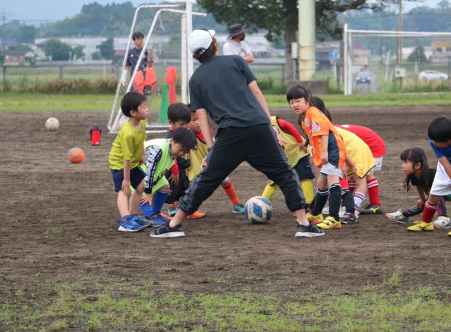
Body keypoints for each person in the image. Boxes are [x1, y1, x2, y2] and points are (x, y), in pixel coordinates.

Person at [151, 29, 324, 238]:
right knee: (284, 173)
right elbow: (256, 92)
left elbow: (202, 116)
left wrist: (211, 147)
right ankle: (303, 224)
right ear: (214, 45)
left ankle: (174, 225)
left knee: (206, 179)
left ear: (195, 55)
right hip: (258, 127)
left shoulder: (195, 80)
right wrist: (271, 126)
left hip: (230, 135)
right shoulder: (236, 61)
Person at [164, 102, 247, 216]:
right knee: (182, 184)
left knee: (225, 179)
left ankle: (237, 204)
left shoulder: (208, 133)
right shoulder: (185, 135)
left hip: (209, 162)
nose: (198, 123)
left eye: (200, 119)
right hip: (193, 166)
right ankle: (176, 206)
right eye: (194, 120)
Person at [287, 85, 347, 230]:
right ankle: (315, 214)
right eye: (291, 102)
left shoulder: (313, 112)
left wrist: (325, 152)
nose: (294, 104)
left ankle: (334, 218)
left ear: (308, 100)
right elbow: (314, 137)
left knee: (333, 182)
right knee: (321, 184)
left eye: (298, 101)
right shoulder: (305, 117)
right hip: (327, 151)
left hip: (333, 150)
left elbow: (324, 132)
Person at [408, 116, 451, 237]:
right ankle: (426, 223)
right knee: (433, 195)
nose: (434, 143)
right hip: (444, 168)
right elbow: (445, 164)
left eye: (438, 141)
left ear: (450, 139)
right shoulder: (434, 143)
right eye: (434, 141)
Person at [137, 128, 197, 227]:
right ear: (172, 140)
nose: (182, 153)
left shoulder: (172, 149)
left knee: (165, 186)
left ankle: (156, 213)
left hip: (154, 173)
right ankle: (150, 216)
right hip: (137, 170)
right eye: (181, 149)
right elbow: (149, 170)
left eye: (185, 151)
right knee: (141, 192)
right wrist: (148, 193)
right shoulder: (158, 148)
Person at [108, 91, 151, 232]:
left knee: (140, 187)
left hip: (131, 162)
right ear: (133, 112)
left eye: (146, 106)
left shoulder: (142, 123)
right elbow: (125, 159)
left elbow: (142, 139)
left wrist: (143, 154)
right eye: (144, 107)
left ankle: (132, 215)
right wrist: (126, 180)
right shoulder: (127, 133)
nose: (147, 109)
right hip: (120, 163)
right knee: (124, 190)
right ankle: (125, 221)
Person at [385, 147, 450, 228]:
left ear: (417, 165)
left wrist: (427, 200)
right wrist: (422, 199)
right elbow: (419, 187)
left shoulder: (432, 175)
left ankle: (444, 218)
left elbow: (437, 195)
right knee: (425, 203)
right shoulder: (414, 176)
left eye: (405, 162)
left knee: (436, 196)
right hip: (434, 196)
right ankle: (404, 215)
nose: (402, 166)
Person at [261, 115, 315, 207]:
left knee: (305, 176)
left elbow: (289, 125)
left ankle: (309, 203)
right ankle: (260, 202)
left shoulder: (272, 121)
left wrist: (300, 141)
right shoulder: (257, 132)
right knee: (274, 180)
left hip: (298, 151)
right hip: (284, 157)